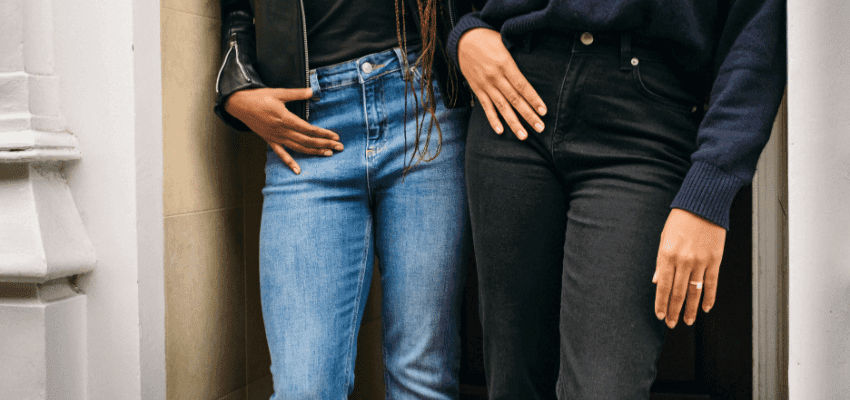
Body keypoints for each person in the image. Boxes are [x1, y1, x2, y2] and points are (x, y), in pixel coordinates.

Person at [449, 0, 785, 398]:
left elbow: (758, 30)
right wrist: (463, 34)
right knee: (515, 385)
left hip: (646, 121)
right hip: (514, 94)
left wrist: (710, 189)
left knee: (605, 389)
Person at [213, 1, 472, 398]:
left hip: (423, 105)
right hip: (306, 120)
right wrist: (235, 86)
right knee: (304, 389)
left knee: (423, 378)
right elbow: (236, 9)